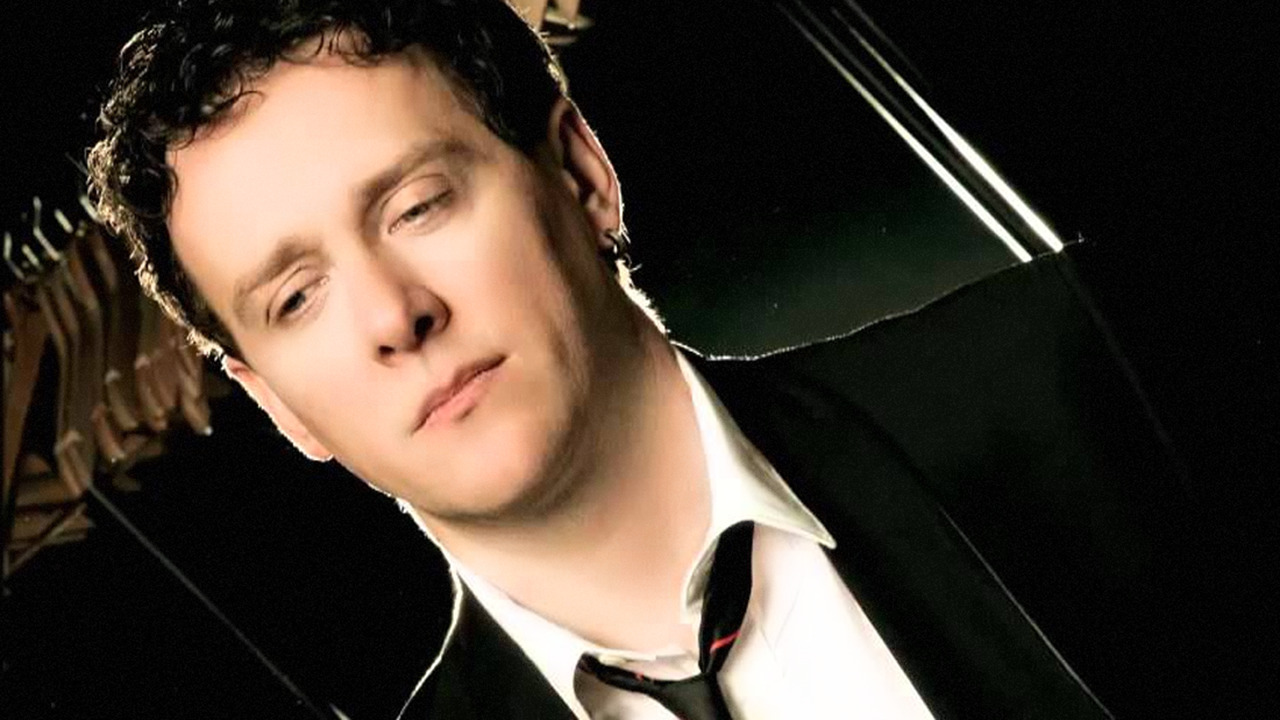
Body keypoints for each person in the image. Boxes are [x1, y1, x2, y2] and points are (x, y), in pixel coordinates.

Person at [87, 1, 1263, 718]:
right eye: (296, 296)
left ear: (581, 175)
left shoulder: (1089, 366)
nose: (393, 314)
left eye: (417, 205)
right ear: (274, 404)